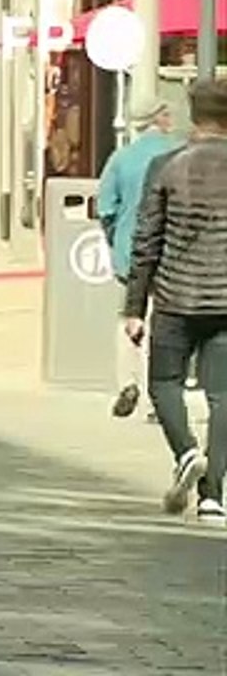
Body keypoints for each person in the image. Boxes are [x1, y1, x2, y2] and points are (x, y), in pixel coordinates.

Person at [124, 79, 227, 525]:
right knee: (223, 396)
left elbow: (146, 240)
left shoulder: (166, 166)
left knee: (164, 383)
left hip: (174, 296)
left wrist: (133, 306)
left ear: (193, 115)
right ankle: (213, 497)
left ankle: (186, 451)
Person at [97, 98, 180, 420]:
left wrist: (116, 238)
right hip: (171, 249)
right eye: (167, 112)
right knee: (162, 319)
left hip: (129, 250)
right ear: (158, 118)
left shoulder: (121, 158)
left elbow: (105, 208)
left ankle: (127, 381)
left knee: (129, 314)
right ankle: (153, 397)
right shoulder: (177, 154)